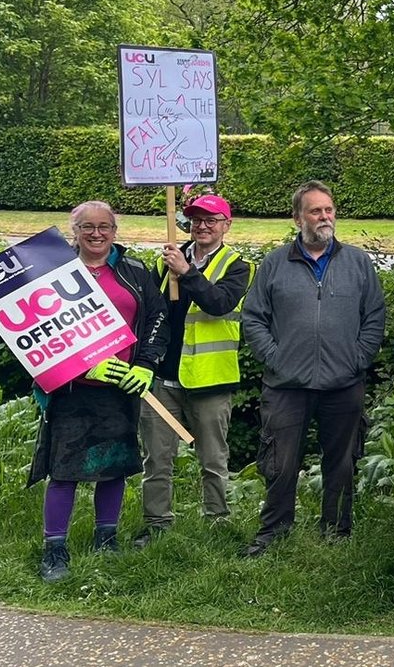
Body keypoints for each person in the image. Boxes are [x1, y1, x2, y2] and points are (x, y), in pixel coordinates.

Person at [239, 180, 386, 557]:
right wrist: (275, 357)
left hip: (343, 382)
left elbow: (374, 317)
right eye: (315, 210)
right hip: (286, 384)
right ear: (297, 217)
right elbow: (254, 318)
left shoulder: (357, 262)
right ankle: (275, 532)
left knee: (341, 461)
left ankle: (335, 531)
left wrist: (358, 359)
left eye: (328, 209)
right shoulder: (274, 263)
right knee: (280, 462)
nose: (324, 217)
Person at [30, 201, 168, 582]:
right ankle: (54, 549)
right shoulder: (50, 272)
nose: (96, 233)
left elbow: (158, 318)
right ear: (73, 230)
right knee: (63, 472)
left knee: (114, 467)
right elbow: (32, 333)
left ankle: (106, 540)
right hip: (72, 389)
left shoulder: (135, 271)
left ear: (114, 230)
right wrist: (77, 365)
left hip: (121, 386)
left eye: (104, 226)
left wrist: (146, 364)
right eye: (87, 227)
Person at [135, 192, 252, 548]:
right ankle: (157, 524)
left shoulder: (238, 266)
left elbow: (218, 305)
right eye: (196, 219)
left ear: (226, 226)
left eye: (211, 220)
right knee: (157, 458)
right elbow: (150, 312)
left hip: (210, 380)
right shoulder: (167, 261)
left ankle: (217, 522)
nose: (202, 226)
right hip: (162, 379)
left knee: (213, 458)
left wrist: (187, 273)